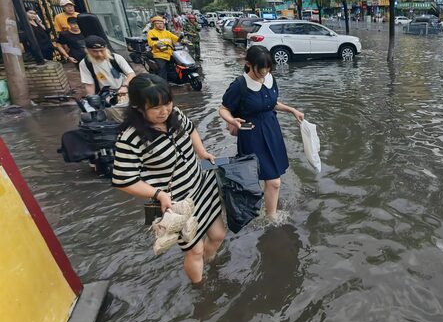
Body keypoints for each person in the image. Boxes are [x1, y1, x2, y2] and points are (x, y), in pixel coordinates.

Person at [112, 73, 226, 283]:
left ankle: (210, 267)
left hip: (202, 186)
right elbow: (124, 180)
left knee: (218, 234)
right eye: (156, 108)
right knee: (195, 250)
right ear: (138, 107)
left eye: (167, 103)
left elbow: (191, 131)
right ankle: (199, 288)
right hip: (176, 202)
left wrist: (202, 153)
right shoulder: (130, 138)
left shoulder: (175, 115)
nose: (164, 111)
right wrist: (158, 194)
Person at [219, 46, 305, 219]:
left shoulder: (269, 79)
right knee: (273, 180)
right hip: (252, 134)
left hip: (272, 130)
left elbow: (270, 103)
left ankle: (266, 210)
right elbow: (223, 108)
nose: (265, 72)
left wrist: (292, 110)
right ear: (249, 64)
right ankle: (271, 216)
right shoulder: (239, 85)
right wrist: (231, 120)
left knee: (269, 175)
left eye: (268, 68)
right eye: (261, 68)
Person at [79, 35, 135, 121]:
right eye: (95, 51)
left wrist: (125, 86)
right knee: (117, 117)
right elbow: (89, 84)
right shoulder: (85, 64)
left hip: (124, 89)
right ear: (87, 50)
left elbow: (131, 74)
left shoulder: (116, 58)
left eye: (102, 50)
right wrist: (91, 101)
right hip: (108, 94)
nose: (99, 54)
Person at [147, 16, 179, 81]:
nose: (159, 25)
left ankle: (176, 79)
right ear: (154, 24)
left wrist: (182, 40)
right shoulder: (151, 32)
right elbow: (152, 42)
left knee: (179, 63)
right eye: (157, 23)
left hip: (170, 53)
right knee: (162, 69)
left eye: (161, 23)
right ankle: (162, 84)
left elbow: (176, 38)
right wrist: (158, 45)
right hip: (159, 54)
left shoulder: (167, 32)